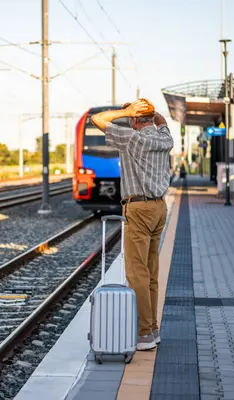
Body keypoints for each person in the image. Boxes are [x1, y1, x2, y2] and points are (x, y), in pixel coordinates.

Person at [91, 99, 174, 351]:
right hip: (159, 207)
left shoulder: (132, 138)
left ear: (135, 120)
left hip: (138, 208)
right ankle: (153, 328)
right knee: (150, 272)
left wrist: (126, 111)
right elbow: (163, 122)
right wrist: (152, 112)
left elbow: (97, 120)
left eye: (131, 118)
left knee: (136, 272)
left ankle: (144, 333)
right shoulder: (164, 138)